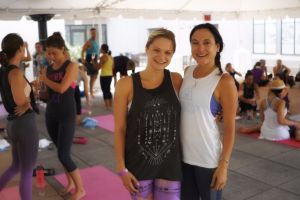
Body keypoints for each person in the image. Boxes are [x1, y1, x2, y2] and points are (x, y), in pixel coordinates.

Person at [114, 28, 182, 200]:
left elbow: (197, 104)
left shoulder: (176, 80)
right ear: (147, 48)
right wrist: (122, 169)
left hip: (170, 165)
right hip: (138, 165)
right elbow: (120, 129)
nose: (162, 56)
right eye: (156, 50)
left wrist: (217, 109)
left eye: (168, 52)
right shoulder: (125, 84)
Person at [180, 23, 237, 200]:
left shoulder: (224, 81)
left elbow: (229, 128)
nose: (200, 48)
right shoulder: (188, 72)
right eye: (195, 43)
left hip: (208, 161)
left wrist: (223, 165)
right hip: (182, 158)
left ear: (217, 47)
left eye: (207, 43)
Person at [39, 32, 85, 200]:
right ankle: (71, 184)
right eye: (48, 52)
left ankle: (81, 189)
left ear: (62, 50)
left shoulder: (71, 66)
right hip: (51, 113)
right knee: (61, 152)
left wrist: (45, 78)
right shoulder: (49, 69)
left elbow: (62, 88)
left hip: (66, 114)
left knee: (63, 154)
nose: (51, 56)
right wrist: (40, 85)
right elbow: (47, 95)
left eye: (54, 53)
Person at [0, 33, 39, 200]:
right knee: (27, 170)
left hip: (14, 125)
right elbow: (20, 101)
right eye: (23, 46)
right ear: (19, 49)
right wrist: (31, 98)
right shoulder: (15, 73)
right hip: (24, 125)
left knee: (16, 166)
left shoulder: (4, 70)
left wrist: (29, 88)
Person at [93, 44, 113, 109]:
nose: (100, 49)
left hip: (104, 76)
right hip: (110, 75)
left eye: (100, 48)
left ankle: (107, 106)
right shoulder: (110, 57)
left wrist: (93, 62)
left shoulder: (103, 57)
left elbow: (98, 67)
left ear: (103, 49)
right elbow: (113, 67)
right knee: (108, 89)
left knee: (104, 90)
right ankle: (110, 104)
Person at [81, 27, 99, 98]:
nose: (94, 33)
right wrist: (83, 59)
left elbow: (97, 51)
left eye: (95, 32)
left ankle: (91, 90)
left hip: (95, 59)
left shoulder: (96, 41)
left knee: (95, 76)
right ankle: (90, 91)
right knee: (93, 76)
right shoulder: (88, 42)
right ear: (90, 33)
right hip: (90, 59)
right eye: (92, 32)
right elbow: (83, 50)